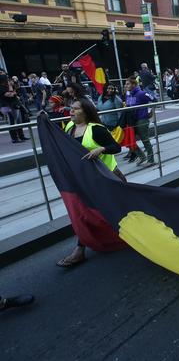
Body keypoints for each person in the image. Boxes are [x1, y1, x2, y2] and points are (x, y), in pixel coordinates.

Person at [56, 98, 124, 267]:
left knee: (120, 210)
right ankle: (80, 250)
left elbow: (116, 147)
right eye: (71, 108)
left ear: (85, 112)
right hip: (87, 180)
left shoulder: (96, 129)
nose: (71, 111)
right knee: (86, 213)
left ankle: (136, 235)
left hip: (110, 178)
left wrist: (101, 148)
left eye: (76, 109)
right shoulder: (70, 128)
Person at [124, 76, 155, 166]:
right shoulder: (128, 94)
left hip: (142, 120)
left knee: (145, 140)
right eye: (126, 84)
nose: (126, 85)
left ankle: (151, 160)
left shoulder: (141, 93)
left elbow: (153, 100)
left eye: (128, 84)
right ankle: (142, 157)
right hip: (132, 121)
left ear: (134, 84)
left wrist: (150, 112)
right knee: (130, 141)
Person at [0, 74, 29, 143]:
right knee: (12, 122)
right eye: (7, 79)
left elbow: (17, 89)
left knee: (19, 121)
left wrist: (14, 84)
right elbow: (9, 95)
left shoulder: (7, 85)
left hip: (14, 105)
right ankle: (14, 138)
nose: (8, 80)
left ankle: (21, 136)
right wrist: (11, 90)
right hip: (6, 106)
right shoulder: (1, 87)